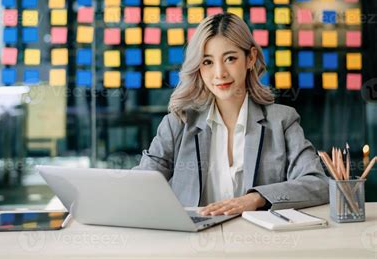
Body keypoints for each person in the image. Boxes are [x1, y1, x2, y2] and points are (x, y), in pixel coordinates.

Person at [133, 13, 329, 216]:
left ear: (250, 58)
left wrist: (256, 198)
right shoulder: (178, 123)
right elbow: (141, 184)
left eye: (230, 58)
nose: (220, 73)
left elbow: (317, 183)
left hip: (258, 242)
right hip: (193, 242)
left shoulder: (282, 121)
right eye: (207, 62)